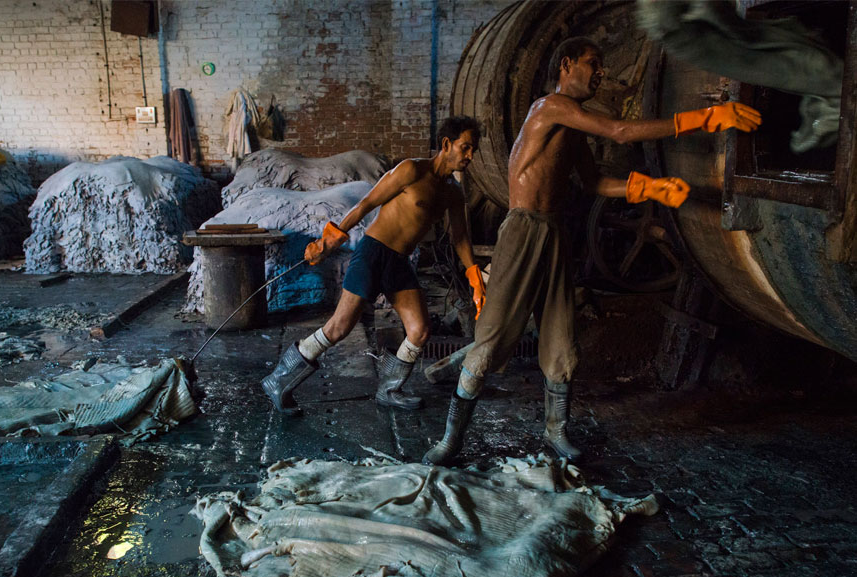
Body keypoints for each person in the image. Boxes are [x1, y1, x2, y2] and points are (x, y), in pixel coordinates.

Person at [424, 36, 761, 465]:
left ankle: (556, 429)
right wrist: (706, 117)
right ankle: (452, 439)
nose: (600, 72)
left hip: (554, 232)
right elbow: (620, 132)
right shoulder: (549, 107)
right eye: (592, 63)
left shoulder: (572, 128)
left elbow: (595, 183)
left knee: (562, 337)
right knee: (489, 341)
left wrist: (650, 188)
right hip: (524, 230)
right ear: (567, 66)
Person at [262, 116, 487, 416]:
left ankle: (390, 389)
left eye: (473, 150)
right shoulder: (411, 170)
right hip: (373, 252)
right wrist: (330, 240)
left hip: (398, 263)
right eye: (466, 147)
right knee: (339, 328)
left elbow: (460, 238)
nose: (470, 156)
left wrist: (474, 276)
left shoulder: (453, 193)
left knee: (419, 330)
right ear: (447, 145)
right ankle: (278, 379)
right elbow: (366, 204)